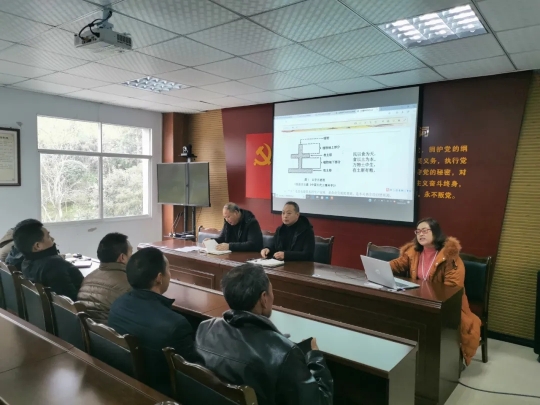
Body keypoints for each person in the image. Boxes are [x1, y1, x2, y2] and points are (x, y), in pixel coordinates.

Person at [195, 263, 333, 405]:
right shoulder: (285, 353)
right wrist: (314, 356)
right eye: (271, 291)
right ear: (264, 298)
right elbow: (321, 401)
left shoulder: (205, 328)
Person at [389, 217, 481, 366]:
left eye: (425, 230)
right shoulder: (413, 252)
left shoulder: (450, 256)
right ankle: (406, 354)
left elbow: (453, 289)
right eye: (418, 231)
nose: (421, 234)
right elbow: (398, 265)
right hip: (419, 300)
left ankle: (433, 360)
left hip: (447, 305)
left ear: (436, 232)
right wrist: (381, 268)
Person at [108, 247, 196, 396]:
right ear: (159, 278)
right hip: (162, 394)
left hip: (127, 382)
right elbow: (193, 376)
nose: (170, 274)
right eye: (168, 269)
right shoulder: (176, 325)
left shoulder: (117, 305)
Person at [13, 219, 83, 301]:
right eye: (48, 236)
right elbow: (71, 301)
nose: (53, 239)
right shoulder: (54, 265)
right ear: (38, 246)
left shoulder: (25, 263)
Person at [77, 233, 133, 323]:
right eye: (130, 254)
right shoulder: (129, 283)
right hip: (113, 331)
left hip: (89, 330)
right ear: (122, 257)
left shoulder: (87, 279)